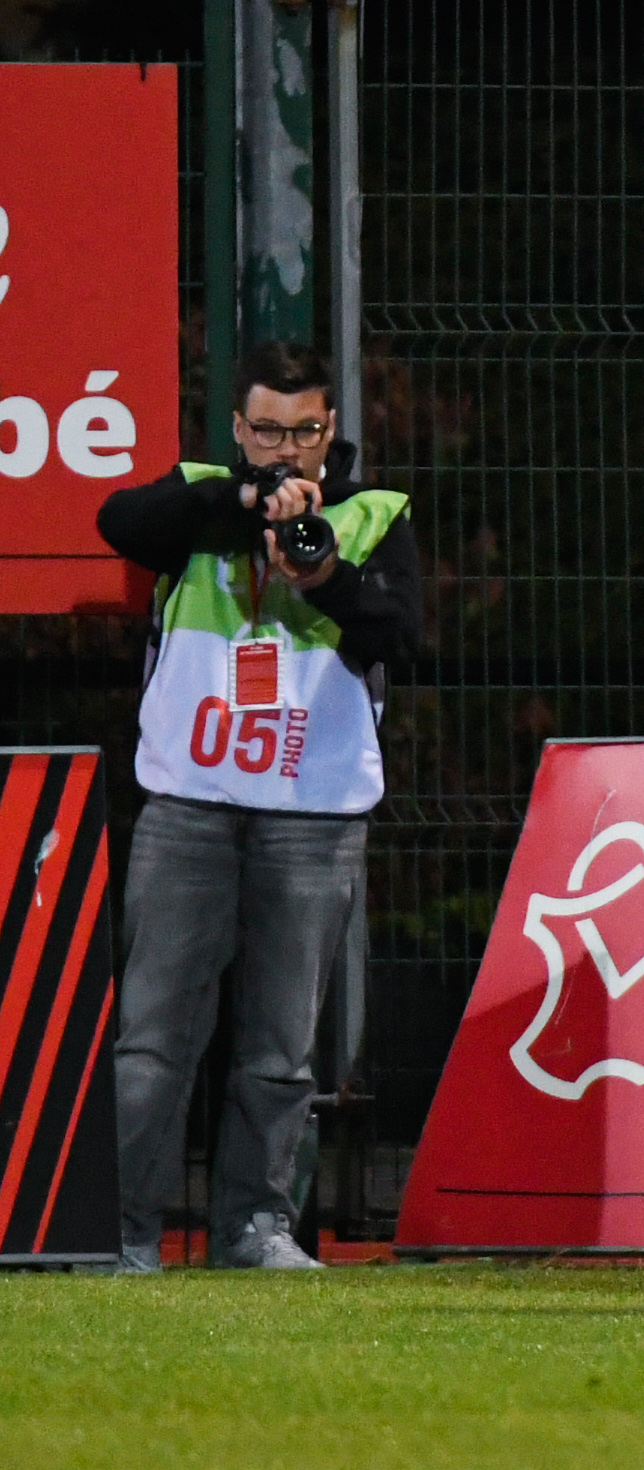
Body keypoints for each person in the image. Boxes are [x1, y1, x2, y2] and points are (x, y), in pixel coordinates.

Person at [96, 341, 420, 1272]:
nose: (285, 450)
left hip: (313, 813)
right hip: (189, 803)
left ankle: (256, 1226)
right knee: (154, 1040)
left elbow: (403, 632)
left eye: (304, 432)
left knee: (281, 1047)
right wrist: (240, 505)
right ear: (238, 430)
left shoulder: (370, 515)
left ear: (331, 432)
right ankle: (124, 1236)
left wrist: (325, 578)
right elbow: (121, 521)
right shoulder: (200, 495)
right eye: (267, 432)